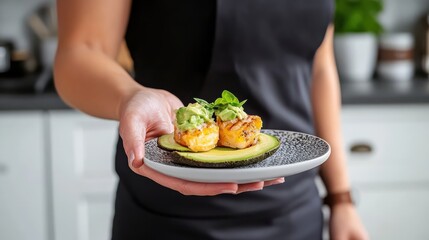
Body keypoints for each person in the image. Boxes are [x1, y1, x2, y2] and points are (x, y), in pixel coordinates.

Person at [54, 0, 369, 239]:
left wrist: (341, 199)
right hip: (169, 214)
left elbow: (319, 65)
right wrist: (130, 96)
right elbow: (80, 52)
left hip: (295, 210)